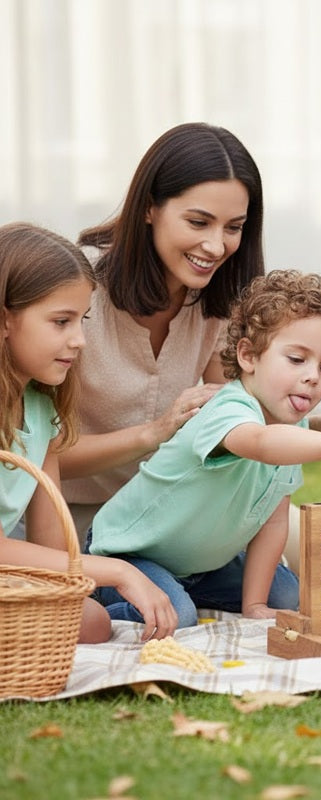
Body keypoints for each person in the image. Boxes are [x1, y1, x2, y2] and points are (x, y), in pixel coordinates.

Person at [59, 122, 321, 541]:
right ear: (149, 208)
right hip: (69, 519)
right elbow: (34, 454)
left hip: (176, 515)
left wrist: (310, 424)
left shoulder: (216, 299)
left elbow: (239, 412)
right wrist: (153, 432)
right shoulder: (78, 294)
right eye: (198, 222)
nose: (217, 246)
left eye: (233, 227)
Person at [87, 270, 321, 628]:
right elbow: (258, 442)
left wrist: (256, 604)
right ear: (248, 356)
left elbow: (274, 521)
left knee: (285, 596)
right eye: (296, 359)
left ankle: (183, 594)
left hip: (202, 567)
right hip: (130, 554)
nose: (313, 377)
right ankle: (95, 605)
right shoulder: (229, 409)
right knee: (176, 618)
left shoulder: (296, 429)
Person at [0, 222, 177, 643]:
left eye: (82, 320)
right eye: (61, 321)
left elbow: (53, 548)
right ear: (5, 319)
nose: (79, 340)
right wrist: (118, 570)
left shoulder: (41, 411)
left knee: (91, 621)